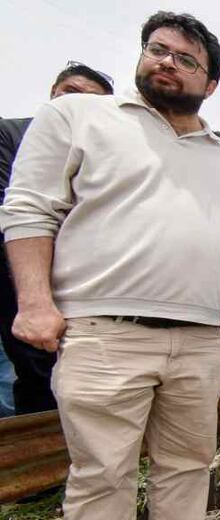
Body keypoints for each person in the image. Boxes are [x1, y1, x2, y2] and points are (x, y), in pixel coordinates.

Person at [0, 13, 220, 520]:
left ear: (211, 82)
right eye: (156, 50)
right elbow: (29, 207)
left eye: (184, 58)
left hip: (198, 342)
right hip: (108, 330)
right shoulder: (82, 118)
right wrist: (34, 301)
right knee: (104, 474)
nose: (165, 61)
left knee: (187, 462)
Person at [0, 62, 114, 416]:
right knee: (26, 368)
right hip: (18, 277)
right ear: (53, 93)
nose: (76, 104)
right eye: (70, 93)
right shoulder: (12, 134)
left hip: (80, 280)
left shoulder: (105, 156)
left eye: (90, 100)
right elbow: (15, 208)